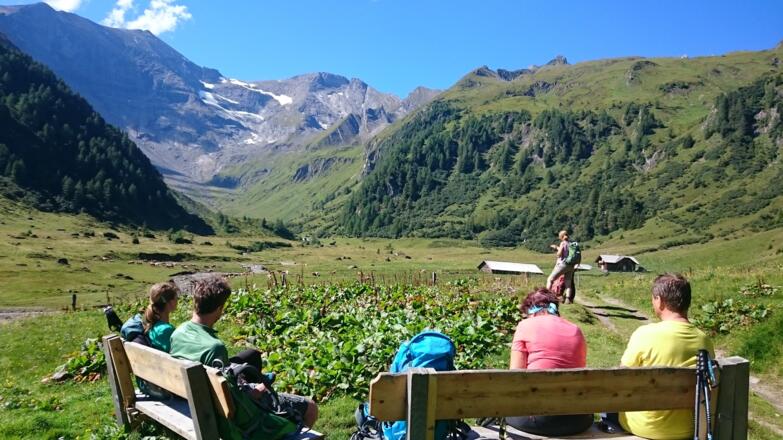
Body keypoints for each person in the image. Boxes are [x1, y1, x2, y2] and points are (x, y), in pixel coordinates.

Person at [169, 276, 318, 428]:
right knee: (310, 408)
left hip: (189, 401)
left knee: (249, 360)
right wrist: (256, 391)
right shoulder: (215, 348)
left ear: (196, 303)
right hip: (220, 417)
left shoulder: (178, 332)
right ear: (219, 308)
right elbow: (232, 404)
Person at [618, 273, 713, 440]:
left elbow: (622, 377)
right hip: (688, 429)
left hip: (644, 427)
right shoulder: (704, 340)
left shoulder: (644, 334)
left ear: (660, 301)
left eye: (653, 298)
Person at [507, 288, 593, 436]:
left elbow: (515, 377)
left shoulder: (524, 326)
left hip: (538, 420)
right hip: (578, 420)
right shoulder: (576, 329)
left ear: (530, 311)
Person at [546, 230, 577, 303]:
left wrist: (557, 251)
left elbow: (560, 254)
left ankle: (546, 296)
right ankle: (568, 299)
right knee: (568, 284)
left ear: (561, 237)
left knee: (550, 279)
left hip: (563, 264)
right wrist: (557, 247)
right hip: (571, 266)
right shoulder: (571, 244)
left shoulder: (563, 243)